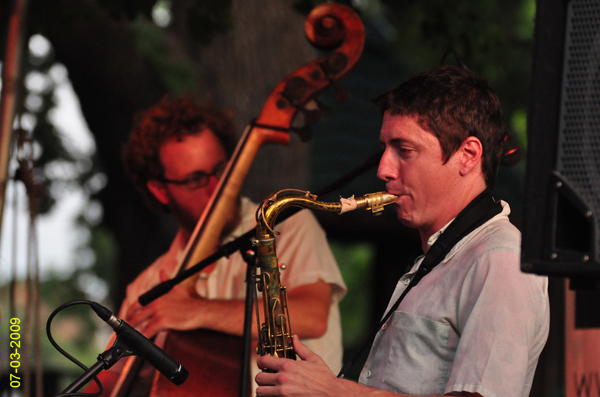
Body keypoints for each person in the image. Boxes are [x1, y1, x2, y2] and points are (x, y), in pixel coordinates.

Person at [255, 65, 550, 397]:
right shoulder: (437, 258)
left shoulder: (499, 259)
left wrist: (334, 392)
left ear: (467, 155)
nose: (383, 169)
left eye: (404, 151)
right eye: (385, 148)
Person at [114, 96, 347, 392]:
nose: (216, 188)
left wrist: (195, 311)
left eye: (221, 170)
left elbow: (312, 316)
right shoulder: (147, 285)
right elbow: (113, 380)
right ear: (160, 190)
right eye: (196, 179)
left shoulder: (284, 225)